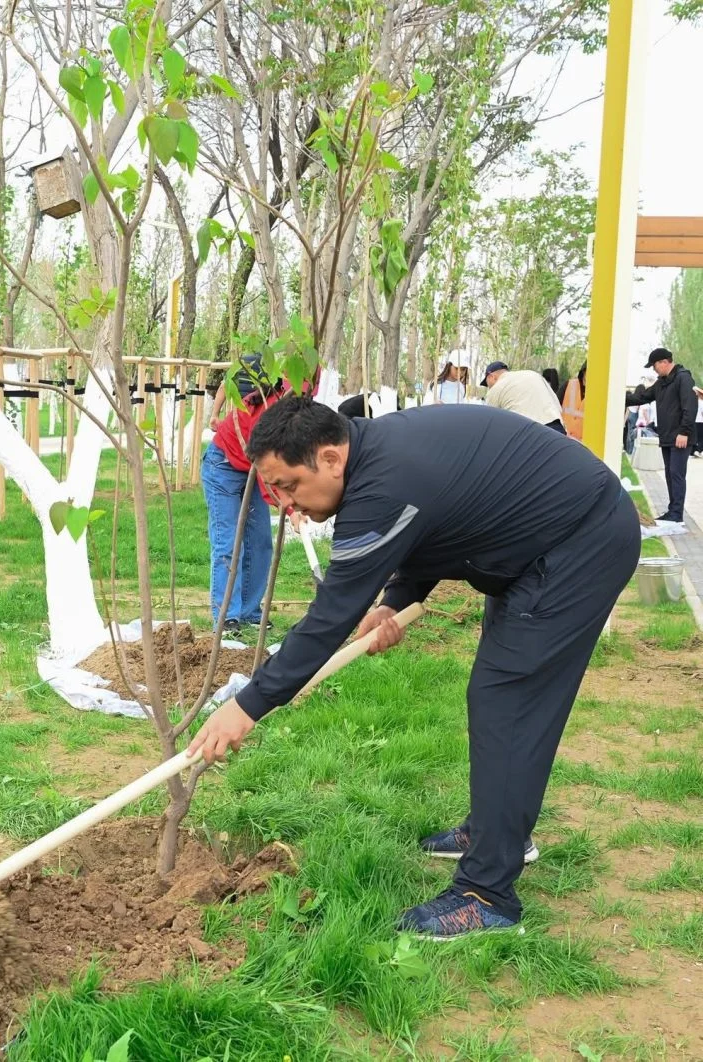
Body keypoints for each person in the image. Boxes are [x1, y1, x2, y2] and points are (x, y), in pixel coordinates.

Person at [189, 396, 640, 939]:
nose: (286, 504)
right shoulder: (376, 457)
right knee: (500, 698)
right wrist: (396, 600)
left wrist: (247, 706)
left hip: (580, 542)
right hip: (542, 539)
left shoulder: (382, 484)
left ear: (330, 458)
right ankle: (496, 831)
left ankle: (487, 894)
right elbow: (439, 518)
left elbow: (328, 619)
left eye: (288, 486)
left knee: (507, 700)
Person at [200, 355, 287, 634]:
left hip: (251, 469)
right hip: (222, 467)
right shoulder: (262, 412)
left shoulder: (286, 396)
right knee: (228, 542)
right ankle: (227, 615)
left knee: (260, 541)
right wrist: (288, 505)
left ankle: (249, 611)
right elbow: (267, 472)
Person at [625, 349, 698, 523]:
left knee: (676, 474)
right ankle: (673, 511)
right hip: (667, 437)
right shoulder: (661, 383)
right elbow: (643, 397)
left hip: (681, 437)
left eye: (655, 365)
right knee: (670, 474)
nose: (654, 369)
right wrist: (620, 398)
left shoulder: (683, 378)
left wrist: (684, 432)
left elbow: (690, 407)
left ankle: (676, 514)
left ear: (664, 362)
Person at [481, 362, 566, 434]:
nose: (488, 387)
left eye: (487, 383)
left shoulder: (496, 388)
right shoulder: (533, 374)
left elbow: (490, 423)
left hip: (531, 433)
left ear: (491, 376)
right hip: (558, 429)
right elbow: (556, 403)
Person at [561, 362, 586, 440]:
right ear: (583, 371)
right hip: (562, 438)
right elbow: (553, 407)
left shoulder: (600, 396)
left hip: (583, 444)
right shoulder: (570, 385)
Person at [693, 385, 703, 457]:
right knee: (701, 437)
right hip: (701, 422)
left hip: (694, 421)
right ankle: (699, 450)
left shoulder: (694, 402)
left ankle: (695, 450)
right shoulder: (702, 403)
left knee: (695, 437)